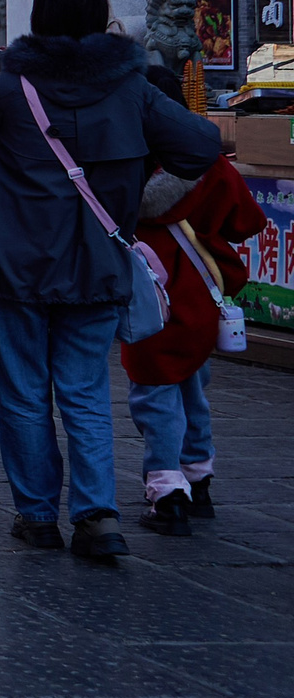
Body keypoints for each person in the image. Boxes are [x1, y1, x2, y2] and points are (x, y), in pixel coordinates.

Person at [0, 0, 220, 561]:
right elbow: (203, 144)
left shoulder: (8, 86)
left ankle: (37, 516)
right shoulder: (134, 90)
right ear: (102, 24)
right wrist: (139, 181)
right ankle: (98, 517)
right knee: (86, 391)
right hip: (100, 266)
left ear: (38, 22)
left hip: (18, 269)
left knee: (23, 394)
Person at [127, 66, 255, 539]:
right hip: (203, 298)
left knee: (155, 392)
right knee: (192, 389)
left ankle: (166, 489)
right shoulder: (211, 163)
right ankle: (198, 478)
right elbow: (245, 221)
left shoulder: (127, 168)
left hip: (149, 300)